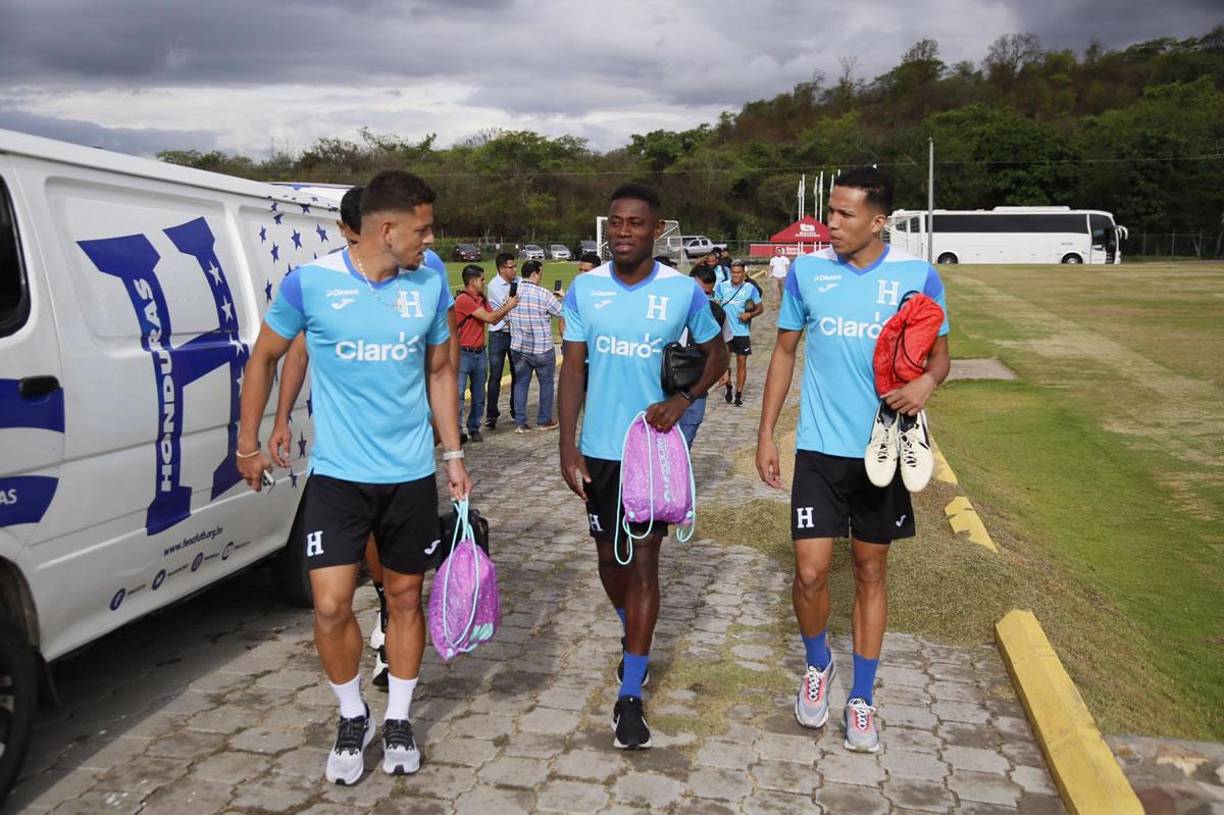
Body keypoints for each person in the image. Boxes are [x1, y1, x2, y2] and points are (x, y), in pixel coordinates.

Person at [238, 170, 470, 784]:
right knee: (331, 604)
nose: (430, 238)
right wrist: (251, 441)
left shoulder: (430, 280)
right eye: (422, 228)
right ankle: (351, 714)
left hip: (410, 474)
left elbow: (441, 371)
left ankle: (398, 718)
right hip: (339, 477)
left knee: (403, 599)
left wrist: (453, 456)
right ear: (386, 229)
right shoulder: (310, 284)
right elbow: (264, 356)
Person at [755, 167, 950, 754]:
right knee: (810, 572)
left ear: (878, 220)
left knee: (870, 571)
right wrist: (767, 434)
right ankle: (819, 666)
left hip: (882, 450)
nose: (829, 224)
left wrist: (925, 387)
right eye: (829, 212)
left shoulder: (917, 276)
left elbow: (940, 357)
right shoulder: (808, 274)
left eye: (843, 215)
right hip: (817, 448)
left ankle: (862, 699)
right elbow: (785, 352)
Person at [558, 184, 727, 750]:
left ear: (658, 231)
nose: (623, 232)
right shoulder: (584, 288)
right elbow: (573, 371)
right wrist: (568, 446)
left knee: (646, 564)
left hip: (653, 452)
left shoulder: (682, 292)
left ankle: (630, 693)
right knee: (610, 560)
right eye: (616, 223)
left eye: (635, 223)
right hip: (601, 452)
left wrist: (683, 402)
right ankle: (634, 633)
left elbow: (718, 353)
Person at [269, 184, 457, 690]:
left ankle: (388, 631)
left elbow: (441, 362)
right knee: (339, 591)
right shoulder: (322, 281)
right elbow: (298, 351)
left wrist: (449, 440)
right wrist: (280, 417)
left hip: (407, 453)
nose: (346, 240)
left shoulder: (428, 275)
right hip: (344, 463)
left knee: (402, 585)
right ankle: (364, 671)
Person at [455, 264, 518, 443]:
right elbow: (490, 318)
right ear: (473, 281)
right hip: (463, 353)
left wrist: (507, 307)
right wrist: (508, 306)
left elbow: (495, 318)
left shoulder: (481, 298)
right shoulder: (464, 300)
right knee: (458, 394)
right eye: (482, 279)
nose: (484, 282)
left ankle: (474, 426)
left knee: (479, 394)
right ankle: (456, 430)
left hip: (479, 353)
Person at [676, 265, 730, 447]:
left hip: (697, 384)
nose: (701, 298)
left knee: (686, 439)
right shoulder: (669, 308)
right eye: (698, 291)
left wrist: (725, 369)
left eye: (706, 293)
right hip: (665, 384)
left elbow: (724, 344)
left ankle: (679, 471)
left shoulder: (717, 313)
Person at [508, 259, 563, 433]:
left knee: (521, 383)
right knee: (546, 384)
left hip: (519, 347)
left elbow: (506, 317)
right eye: (540, 274)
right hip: (542, 348)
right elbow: (561, 311)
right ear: (534, 274)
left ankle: (520, 422)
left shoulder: (512, 294)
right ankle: (544, 420)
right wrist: (563, 296)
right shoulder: (544, 294)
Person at [715, 260, 764, 406]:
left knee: (741, 363)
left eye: (739, 272)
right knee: (724, 362)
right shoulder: (722, 286)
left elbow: (760, 308)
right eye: (733, 272)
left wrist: (749, 315)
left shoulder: (750, 288)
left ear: (744, 273)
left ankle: (739, 393)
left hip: (742, 332)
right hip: (725, 331)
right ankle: (729, 385)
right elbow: (715, 305)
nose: (736, 275)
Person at [484, 253, 519, 430]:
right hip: (498, 335)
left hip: (515, 333)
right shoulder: (494, 285)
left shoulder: (519, 281)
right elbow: (506, 309)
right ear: (501, 269)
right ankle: (491, 414)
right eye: (511, 267)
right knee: (495, 375)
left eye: (515, 266)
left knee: (517, 373)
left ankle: (516, 410)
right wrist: (512, 306)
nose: (514, 270)